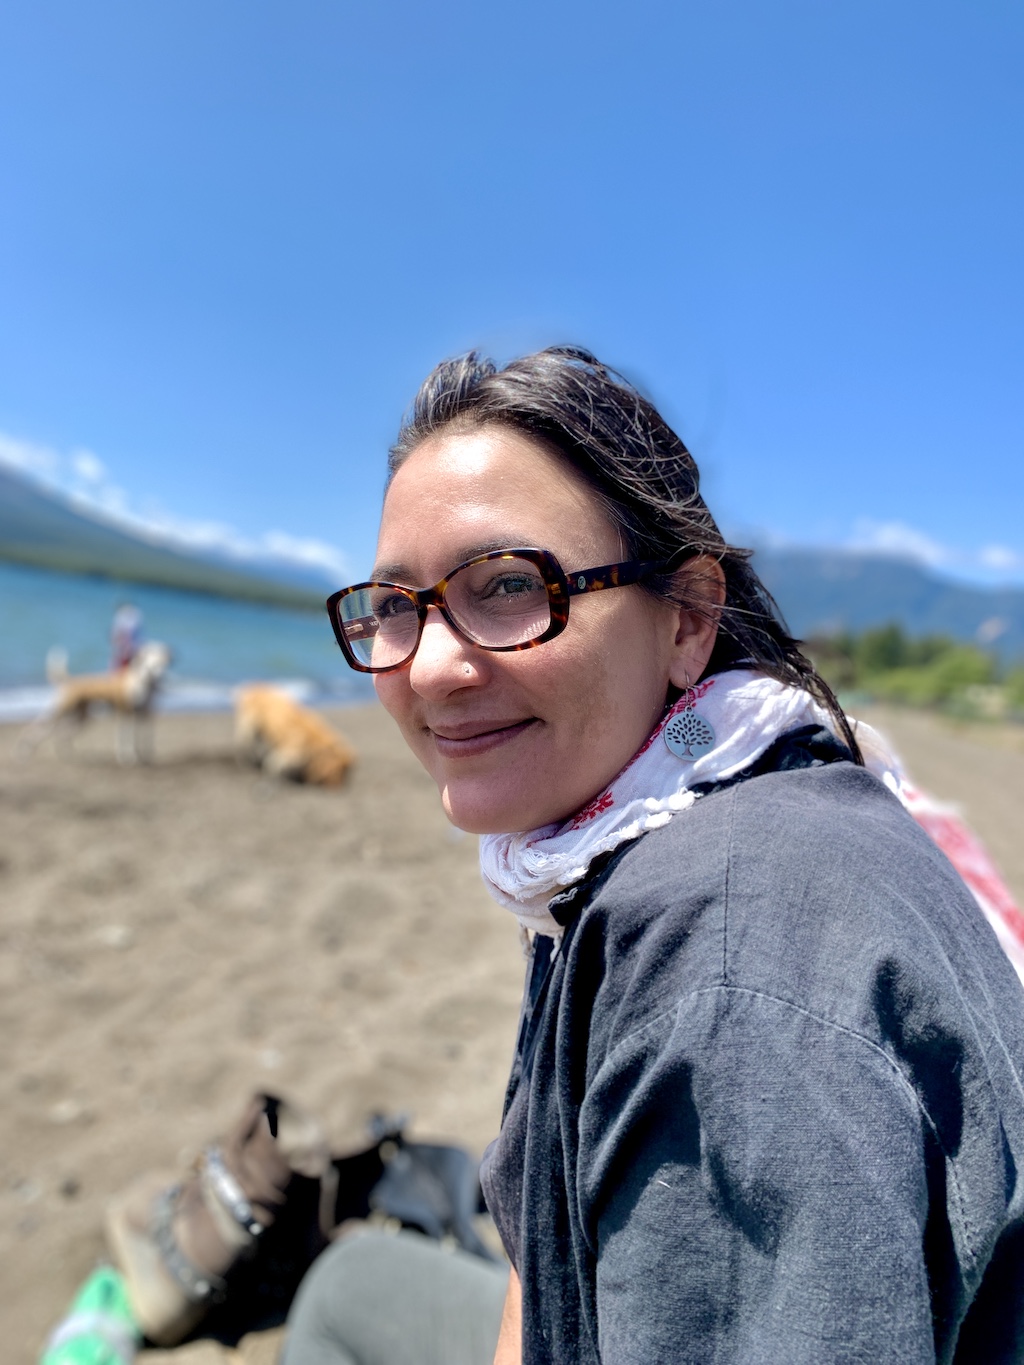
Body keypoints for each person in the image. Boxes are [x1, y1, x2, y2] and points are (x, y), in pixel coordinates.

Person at [319, 346, 1024, 1363]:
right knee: (354, 1282)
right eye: (394, 605)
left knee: (339, 1297)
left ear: (688, 619)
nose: (428, 668)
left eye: (507, 584)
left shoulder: (728, 966)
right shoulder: (663, 801)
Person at [110, 602, 143, 671]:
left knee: (120, 664)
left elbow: (119, 633)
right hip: (133, 647)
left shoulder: (121, 616)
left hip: (127, 648)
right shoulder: (136, 615)